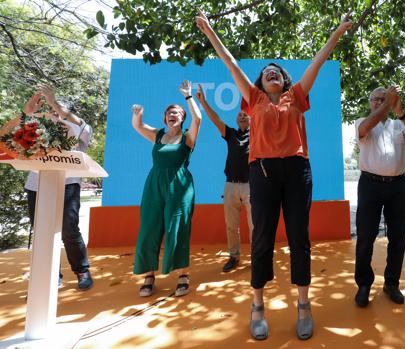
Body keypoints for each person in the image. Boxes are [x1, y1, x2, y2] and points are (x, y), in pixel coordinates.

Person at [196, 8, 353, 340]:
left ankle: (304, 304)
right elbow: (229, 62)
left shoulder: (295, 96)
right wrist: (210, 31)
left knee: (299, 237)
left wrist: (336, 34)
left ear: (283, 80)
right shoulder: (252, 100)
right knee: (262, 238)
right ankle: (257, 306)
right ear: (259, 82)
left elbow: (317, 62)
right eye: (266, 72)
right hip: (262, 172)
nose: (271, 73)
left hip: (297, 171)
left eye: (277, 71)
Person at [354, 86, 405, 308]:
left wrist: (400, 111)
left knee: (398, 237)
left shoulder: (398, 124)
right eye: (376, 99)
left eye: (385, 99)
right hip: (369, 185)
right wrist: (388, 104)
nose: (380, 102)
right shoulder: (361, 122)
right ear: (369, 102)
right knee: (365, 237)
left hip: (398, 186)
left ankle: (391, 283)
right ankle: (363, 284)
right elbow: (366, 128)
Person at [132, 80, 202, 298]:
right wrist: (138, 115)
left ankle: (182, 275)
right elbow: (138, 126)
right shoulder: (158, 135)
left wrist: (188, 97)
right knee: (149, 228)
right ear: (165, 118)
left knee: (177, 228)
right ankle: (149, 276)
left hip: (179, 187)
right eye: (170, 113)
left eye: (177, 113)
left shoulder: (188, 137)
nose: (173, 115)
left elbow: (198, 118)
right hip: (154, 185)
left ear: (182, 118)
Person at [24, 85, 94, 291]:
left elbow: (67, 115)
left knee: (68, 230)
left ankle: (82, 271)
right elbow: (27, 113)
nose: (55, 114)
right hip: (37, 183)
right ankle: (52, 273)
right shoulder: (43, 125)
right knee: (42, 230)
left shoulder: (81, 128)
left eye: (59, 111)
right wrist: (37, 97)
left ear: (70, 113)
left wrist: (53, 101)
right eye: (52, 111)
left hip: (68, 184)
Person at [195, 84, 253, 272]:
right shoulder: (230, 134)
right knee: (231, 226)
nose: (242, 115)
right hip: (230, 186)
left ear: (252, 119)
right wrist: (203, 102)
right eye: (239, 114)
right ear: (236, 120)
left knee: (256, 226)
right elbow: (215, 119)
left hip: (251, 186)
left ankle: (258, 258)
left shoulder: (258, 135)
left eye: (246, 114)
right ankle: (234, 257)